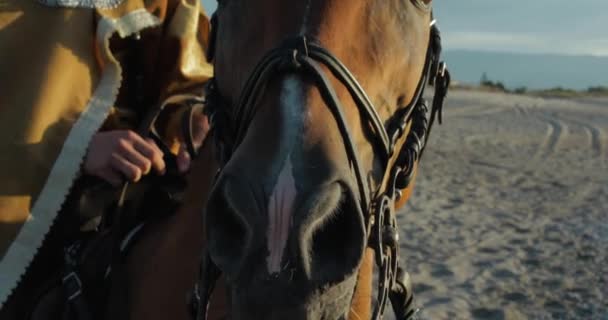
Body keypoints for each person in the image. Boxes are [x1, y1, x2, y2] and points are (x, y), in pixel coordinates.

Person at [0, 0, 214, 317]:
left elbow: (185, 79)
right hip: (28, 214)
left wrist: (191, 121)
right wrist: (73, 151)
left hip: (136, 188)